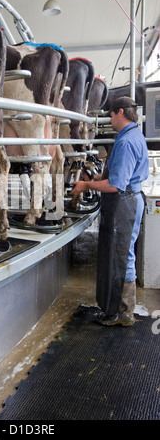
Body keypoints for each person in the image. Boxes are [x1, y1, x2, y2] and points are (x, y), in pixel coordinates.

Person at [71, 96, 149, 326]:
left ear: (121, 112)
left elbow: (116, 185)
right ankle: (120, 310)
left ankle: (123, 313)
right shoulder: (133, 135)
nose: (110, 119)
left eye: (111, 115)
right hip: (129, 199)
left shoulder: (125, 143)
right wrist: (93, 177)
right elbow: (118, 176)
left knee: (122, 257)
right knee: (122, 255)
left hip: (125, 202)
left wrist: (85, 186)